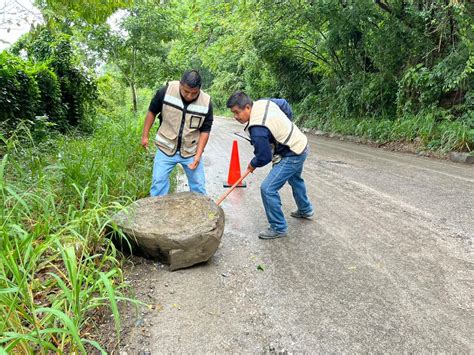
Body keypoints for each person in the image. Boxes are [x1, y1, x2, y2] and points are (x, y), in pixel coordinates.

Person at [226, 91, 313, 239]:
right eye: (233, 113)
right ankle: (305, 209)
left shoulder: (257, 128)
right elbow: (284, 104)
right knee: (295, 179)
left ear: (247, 107)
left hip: (292, 154)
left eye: (237, 112)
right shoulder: (263, 102)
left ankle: (278, 227)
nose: (235, 117)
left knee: (268, 189)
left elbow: (264, 157)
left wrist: (252, 163)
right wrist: (284, 127)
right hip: (301, 144)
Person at [141, 70, 213, 196]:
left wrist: (198, 155)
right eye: (186, 92)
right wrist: (145, 136)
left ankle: (202, 213)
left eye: (194, 93)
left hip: (191, 151)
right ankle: (158, 212)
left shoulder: (206, 102)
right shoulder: (165, 92)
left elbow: (205, 130)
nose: (189, 96)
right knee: (158, 183)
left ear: (199, 89)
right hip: (165, 148)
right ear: (180, 84)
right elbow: (152, 112)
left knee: (199, 187)